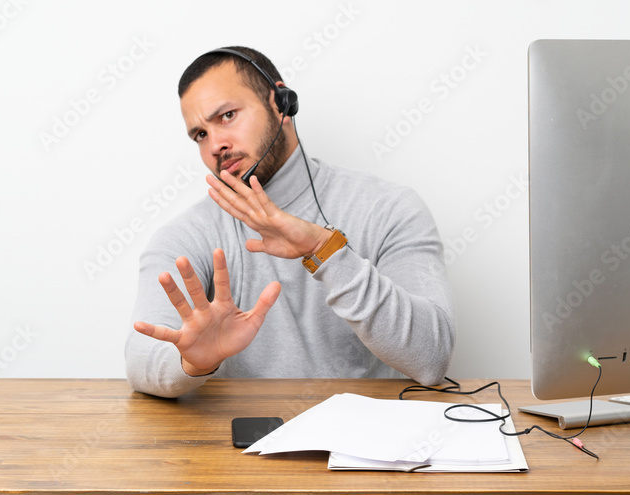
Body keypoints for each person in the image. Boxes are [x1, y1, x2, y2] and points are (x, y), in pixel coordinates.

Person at [125, 46, 455, 398]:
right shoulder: (187, 235)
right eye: (200, 135)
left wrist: (325, 251)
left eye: (227, 116)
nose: (215, 145)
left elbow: (432, 358)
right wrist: (192, 364)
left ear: (280, 104)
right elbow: (141, 357)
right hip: (247, 430)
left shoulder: (389, 208)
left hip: (364, 430)